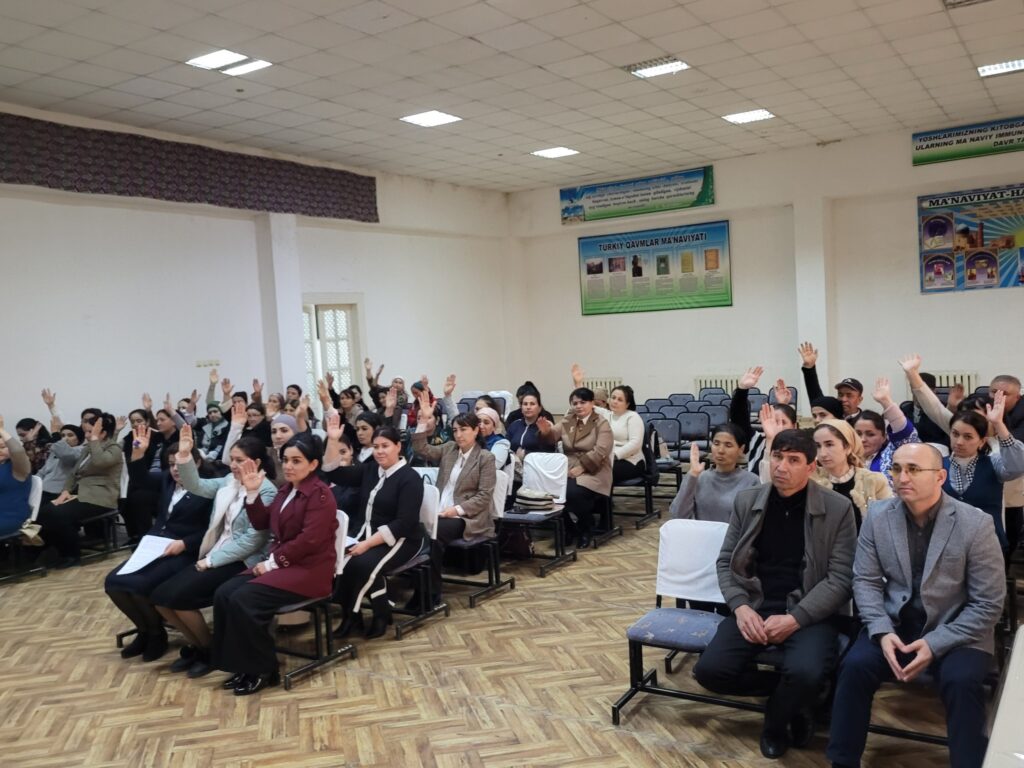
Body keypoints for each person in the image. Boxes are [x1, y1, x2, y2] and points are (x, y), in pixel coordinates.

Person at [827, 444, 1005, 768]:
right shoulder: (878, 516)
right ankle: (842, 762)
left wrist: (935, 643)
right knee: (854, 666)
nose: (902, 477)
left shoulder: (975, 523)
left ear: (940, 477)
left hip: (958, 629)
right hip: (896, 625)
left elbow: (988, 603)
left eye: (913, 469)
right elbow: (865, 581)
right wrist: (882, 631)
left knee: (961, 681)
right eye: (896, 469)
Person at [692, 429, 857, 760]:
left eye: (793, 460)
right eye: (777, 457)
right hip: (755, 605)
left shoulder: (838, 508)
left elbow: (841, 579)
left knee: (806, 672)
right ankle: (795, 698)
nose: (782, 467)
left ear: (811, 467)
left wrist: (795, 619)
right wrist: (740, 608)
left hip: (809, 610)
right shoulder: (748, 500)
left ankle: (776, 723)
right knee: (710, 671)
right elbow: (725, 562)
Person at [212, 435, 338, 695]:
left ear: (313, 464)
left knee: (245, 599)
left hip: (310, 570)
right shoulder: (286, 490)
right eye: (286, 460)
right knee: (224, 593)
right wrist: (252, 494)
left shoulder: (320, 495)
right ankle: (241, 665)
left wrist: (272, 564)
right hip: (286, 564)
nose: (288, 466)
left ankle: (263, 669)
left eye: (296, 461)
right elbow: (263, 523)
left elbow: (309, 540)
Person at [150, 428, 277, 679]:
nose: (234, 465)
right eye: (232, 459)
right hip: (216, 553)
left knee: (180, 599)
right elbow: (195, 485)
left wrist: (211, 561)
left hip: (240, 560)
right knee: (159, 598)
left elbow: (253, 541)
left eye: (240, 460)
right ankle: (199, 646)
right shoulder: (229, 482)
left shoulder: (267, 491)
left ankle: (210, 650)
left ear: (256, 463)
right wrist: (184, 456)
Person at [104, 426, 214, 663]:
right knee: (113, 582)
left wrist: (185, 543)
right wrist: (137, 453)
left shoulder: (208, 488)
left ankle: (156, 635)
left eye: (180, 463)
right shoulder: (167, 480)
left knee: (139, 585)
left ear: (196, 463)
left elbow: (213, 529)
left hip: (184, 550)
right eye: (171, 464)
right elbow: (141, 479)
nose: (175, 469)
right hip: (155, 546)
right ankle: (147, 631)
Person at [901, 356, 1024, 554]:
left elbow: (1016, 466)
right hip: (950, 538)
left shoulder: (1000, 449)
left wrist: (999, 425)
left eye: (978, 416)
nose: (960, 441)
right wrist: (913, 375)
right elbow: (935, 409)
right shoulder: (951, 449)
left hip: (999, 521)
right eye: (956, 434)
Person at [327, 425, 425, 640]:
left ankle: (369, 615)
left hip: (403, 539)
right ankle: (357, 615)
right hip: (366, 534)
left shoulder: (410, 478)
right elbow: (335, 473)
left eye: (385, 446)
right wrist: (333, 441)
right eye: (376, 447)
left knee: (362, 564)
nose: (379, 451)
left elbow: (404, 523)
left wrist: (367, 544)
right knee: (340, 560)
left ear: (398, 446)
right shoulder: (370, 470)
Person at [411, 398, 496, 606]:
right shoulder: (449, 449)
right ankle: (420, 586)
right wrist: (422, 422)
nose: (458, 435)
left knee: (433, 534)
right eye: (455, 430)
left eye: (463, 430)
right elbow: (422, 449)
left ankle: (429, 593)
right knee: (413, 529)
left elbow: (484, 496)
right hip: (439, 511)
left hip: (466, 518)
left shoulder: (485, 458)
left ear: (476, 430)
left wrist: (456, 510)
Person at [37, 413, 123, 567]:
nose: (87, 435)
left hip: (101, 497)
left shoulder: (113, 448)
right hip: (80, 494)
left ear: (103, 433)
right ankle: (55, 550)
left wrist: (94, 441)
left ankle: (71, 555)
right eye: (87, 432)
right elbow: (73, 473)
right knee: (45, 512)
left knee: (58, 514)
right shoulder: (87, 449)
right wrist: (65, 491)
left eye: (91, 432)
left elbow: (100, 462)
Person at [537, 387, 613, 549]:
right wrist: (545, 432)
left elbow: (601, 451)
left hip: (595, 469)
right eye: (575, 403)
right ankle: (570, 529)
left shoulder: (601, 423)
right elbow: (552, 437)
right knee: (551, 492)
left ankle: (586, 529)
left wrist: (582, 467)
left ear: (592, 403)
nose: (578, 406)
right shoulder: (568, 421)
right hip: (568, 468)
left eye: (583, 402)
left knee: (573, 493)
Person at [811, 418, 892, 529]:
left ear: (847, 447)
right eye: (818, 446)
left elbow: (888, 523)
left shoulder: (874, 480)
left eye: (829, 445)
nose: (822, 453)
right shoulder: (810, 481)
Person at [670, 426, 760, 523]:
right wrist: (693, 474)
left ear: (741, 449)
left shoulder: (751, 481)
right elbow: (677, 516)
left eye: (728, 445)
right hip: (702, 532)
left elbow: (755, 521)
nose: (720, 450)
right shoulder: (700, 478)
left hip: (735, 533)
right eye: (716, 444)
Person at [729, 367, 798, 476]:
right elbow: (739, 418)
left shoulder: (800, 448)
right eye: (773, 421)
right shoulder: (757, 441)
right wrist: (742, 389)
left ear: (794, 426)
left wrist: (783, 405)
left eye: (783, 422)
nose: (778, 426)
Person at [855, 377, 919, 487]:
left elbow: (906, 434)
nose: (863, 439)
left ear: (884, 437)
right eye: (858, 434)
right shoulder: (846, 458)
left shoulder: (891, 455)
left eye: (870, 434)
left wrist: (886, 402)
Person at [798, 341, 864, 425]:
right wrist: (809, 368)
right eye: (840, 394)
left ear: (859, 400)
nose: (843, 399)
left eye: (849, 395)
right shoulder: (829, 414)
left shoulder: (865, 421)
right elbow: (814, 394)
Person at [0, 414, 32, 538]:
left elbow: (17, 450)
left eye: (3, 447)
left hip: (10, 515)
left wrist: (1, 430)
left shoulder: (18, 467)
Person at [36, 424, 85, 505]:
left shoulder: (80, 450)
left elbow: (66, 455)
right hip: (42, 490)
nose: (65, 438)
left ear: (78, 439)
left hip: (58, 493)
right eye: (62, 435)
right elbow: (42, 472)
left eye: (70, 435)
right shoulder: (55, 451)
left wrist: (56, 435)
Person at [900, 371, 950, 448]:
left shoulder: (943, 411)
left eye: (924, 391)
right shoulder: (904, 409)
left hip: (935, 450)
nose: (921, 395)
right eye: (917, 391)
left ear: (934, 391)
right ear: (912, 389)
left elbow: (947, 440)